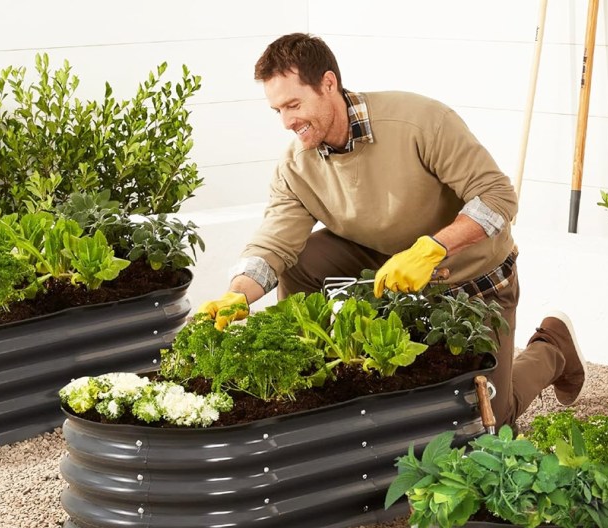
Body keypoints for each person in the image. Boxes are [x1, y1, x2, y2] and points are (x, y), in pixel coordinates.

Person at [200, 32, 586, 427]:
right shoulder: (296, 166)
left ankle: (553, 347)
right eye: (277, 110)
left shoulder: (419, 122)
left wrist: (432, 248)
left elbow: (498, 197)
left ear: (328, 84)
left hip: (473, 274)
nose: (286, 122)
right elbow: (274, 242)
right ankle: (309, 369)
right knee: (301, 260)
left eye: (293, 105)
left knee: (488, 420)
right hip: (390, 271)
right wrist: (238, 294)